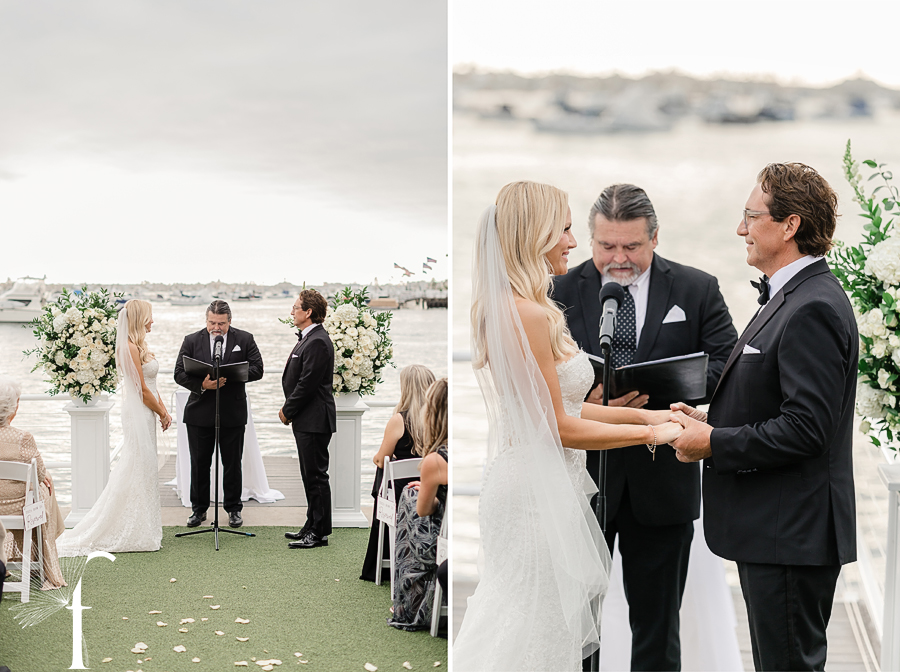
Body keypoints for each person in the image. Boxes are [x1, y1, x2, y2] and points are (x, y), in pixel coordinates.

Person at [453, 181, 684, 671]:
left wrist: (655, 414)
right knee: (533, 633)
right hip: (534, 499)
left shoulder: (512, 306)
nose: (572, 242)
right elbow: (559, 428)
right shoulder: (530, 314)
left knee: (528, 628)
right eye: (562, 229)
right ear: (534, 234)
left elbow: (571, 408)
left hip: (533, 485)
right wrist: (649, 435)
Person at [671, 163, 858, 672]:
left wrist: (714, 442)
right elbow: (776, 398)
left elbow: (807, 429)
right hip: (779, 531)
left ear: (790, 225)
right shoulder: (792, 296)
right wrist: (711, 417)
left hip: (792, 535)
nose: (740, 229)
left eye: (751, 217)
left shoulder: (811, 307)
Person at [552, 183, 737, 671]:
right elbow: (541, 378)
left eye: (631, 246)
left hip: (664, 482)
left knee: (658, 632)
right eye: (606, 246)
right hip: (582, 479)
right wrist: (585, 395)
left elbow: (729, 364)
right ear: (590, 239)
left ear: (655, 237)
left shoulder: (697, 288)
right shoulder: (559, 292)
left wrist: (673, 390)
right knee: (575, 626)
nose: (618, 258)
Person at [57, 300, 171, 556]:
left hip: (148, 411)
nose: (153, 321)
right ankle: (126, 526)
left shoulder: (139, 346)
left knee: (145, 466)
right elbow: (141, 391)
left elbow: (152, 385)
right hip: (139, 412)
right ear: (141, 319)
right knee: (136, 465)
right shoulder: (129, 347)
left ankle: (145, 525)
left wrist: (163, 410)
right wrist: (161, 411)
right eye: (150, 317)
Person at [174, 300, 264, 529]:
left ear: (229, 322)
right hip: (199, 413)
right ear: (206, 321)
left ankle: (234, 509)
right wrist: (202, 384)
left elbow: (258, 369)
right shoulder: (191, 340)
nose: (216, 327)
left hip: (232, 412)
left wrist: (233, 375)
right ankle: (199, 510)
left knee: (232, 463)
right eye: (212, 322)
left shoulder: (244, 339)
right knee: (199, 463)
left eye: (221, 323)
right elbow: (178, 373)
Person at [361, 364, 435, 582]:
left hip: (400, 496)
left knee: (384, 467)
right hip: (430, 488)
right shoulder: (438, 420)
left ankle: (381, 561)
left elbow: (379, 459)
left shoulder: (399, 420)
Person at [388, 377, 448, 631]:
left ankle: (408, 601)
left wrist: (428, 494)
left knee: (410, 500)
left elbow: (425, 510)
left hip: (440, 541)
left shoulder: (435, 460)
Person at [280, 289, 336, 549]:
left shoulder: (317, 341)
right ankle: (312, 523)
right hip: (307, 418)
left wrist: (287, 410)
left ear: (308, 312)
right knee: (308, 474)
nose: (292, 312)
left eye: (295, 307)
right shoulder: (309, 337)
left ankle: (320, 532)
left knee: (315, 476)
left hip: (314, 418)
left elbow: (308, 383)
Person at [0, 379, 66, 586]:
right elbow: (40, 472)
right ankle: (42, 558)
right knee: (45, 488)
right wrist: (44, 475)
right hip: (18, 508)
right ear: (14, 407)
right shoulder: (23, 438)